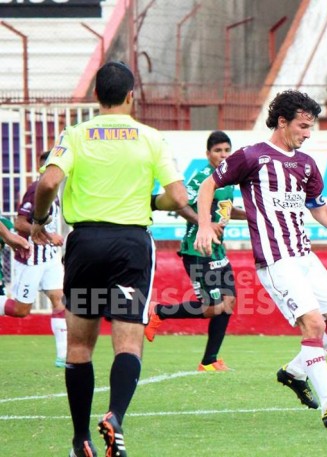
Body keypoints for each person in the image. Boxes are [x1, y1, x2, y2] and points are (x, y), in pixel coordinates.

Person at [194, 90, 327, 428]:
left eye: (310, 128)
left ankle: (294, 371)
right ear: (282, 122)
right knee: (315, 324)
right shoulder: (251, 157)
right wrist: (205, 225)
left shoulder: (306, 164)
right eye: (303, 126)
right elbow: (208, 186)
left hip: (305, 258)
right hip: (276, 261)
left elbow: (320, 209)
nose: (307, 134)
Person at [31, 61, 187, 457]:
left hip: (85, 244)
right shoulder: (150, 138)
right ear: (131, 96)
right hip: (129, 246)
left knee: (79, 347)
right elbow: (178, 197)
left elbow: (49, 182)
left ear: (96, 95)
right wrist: (151, 201)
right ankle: (115, 416)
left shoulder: (75, 134)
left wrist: (39, 220)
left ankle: (80, 439)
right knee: (128, 343)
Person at [145, 130, 246, 371]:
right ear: (208, 154)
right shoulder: (203, 177)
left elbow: (226, 210)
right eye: (217, 151)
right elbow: (180, 204)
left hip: (217, 251)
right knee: (212, 308)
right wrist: (204, 224)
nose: (223, 155)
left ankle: (209, 361)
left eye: (226, 150)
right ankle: (159, 311)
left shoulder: (229, 178)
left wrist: (251, 215)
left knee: (228, 302)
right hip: (198, 250)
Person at [0, 151, 68, 368]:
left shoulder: (55, 191)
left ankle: (64, 356)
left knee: (60, 300)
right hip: (31, 258)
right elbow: (20, 223)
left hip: (50, 257)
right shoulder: (36, 189)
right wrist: (48, 235)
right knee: (21, 310)